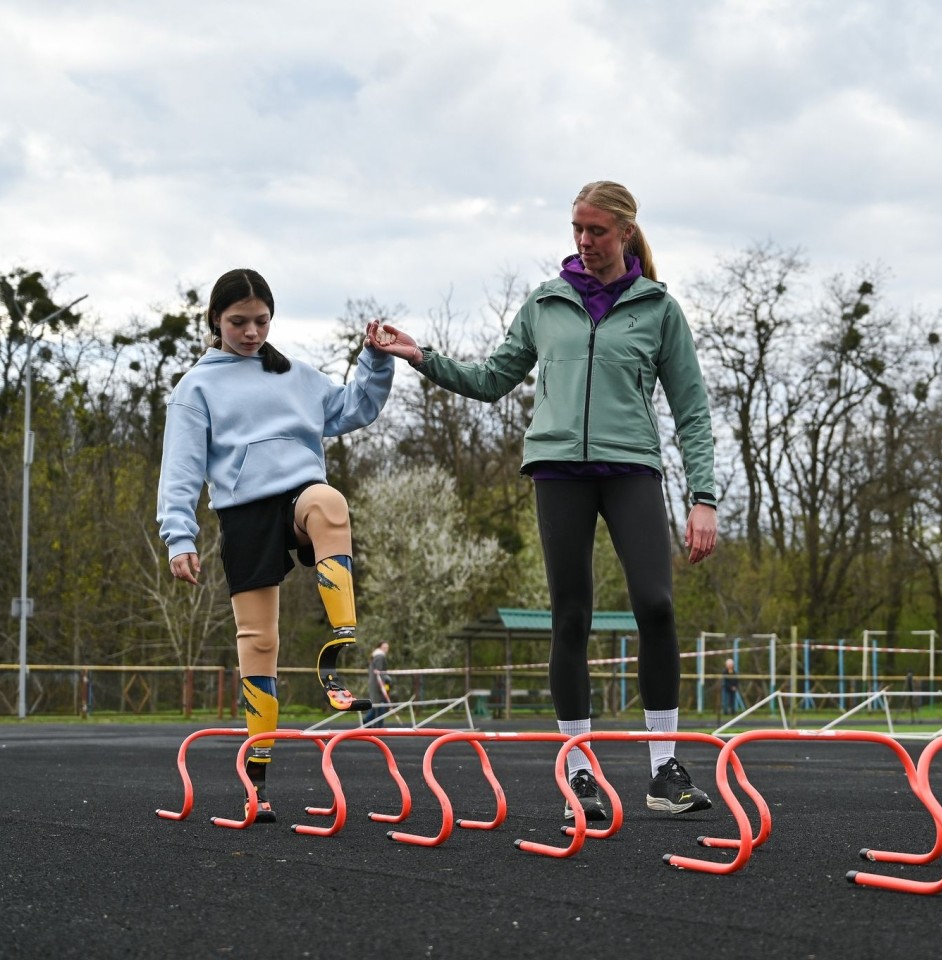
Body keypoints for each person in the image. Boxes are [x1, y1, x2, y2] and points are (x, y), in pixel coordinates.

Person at [370, 180, 718, 822]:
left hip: (631, 466)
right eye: (578, 230)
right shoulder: (546, 304)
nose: (585, 242)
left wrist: (704, 498)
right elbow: (490, 380)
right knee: (571, 617)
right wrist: (420, 356)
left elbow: (692, 410)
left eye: (598, 231)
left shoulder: (659, 310)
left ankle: (663, 767)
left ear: (627, 234)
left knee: (657, 604)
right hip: (559, 469)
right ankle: (579, 774)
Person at [157, 267, 394, 822]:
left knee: (329, 504)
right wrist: (178, 537)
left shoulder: (298, 376)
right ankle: (257, 778)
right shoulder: (196, 387)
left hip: (297, 498)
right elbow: (182, 469)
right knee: (258, 643)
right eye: (238, 322)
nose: (251, 332)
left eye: (261, 321)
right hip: (244, 513)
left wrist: (376, 359)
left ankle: (340, 641)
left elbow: (354, 407)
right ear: (215, 321)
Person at [365, 641, 394, 727]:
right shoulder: (380, 657)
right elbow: (379, 672)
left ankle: (368, 722)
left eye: (387, 648)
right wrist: (384, 682)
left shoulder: (376, 656)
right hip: (379, 686)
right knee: (380, 705)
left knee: (376, 705)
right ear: (380, 648)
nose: (386, 650)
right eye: (384, 647)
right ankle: (373, 724)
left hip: (376, 685)